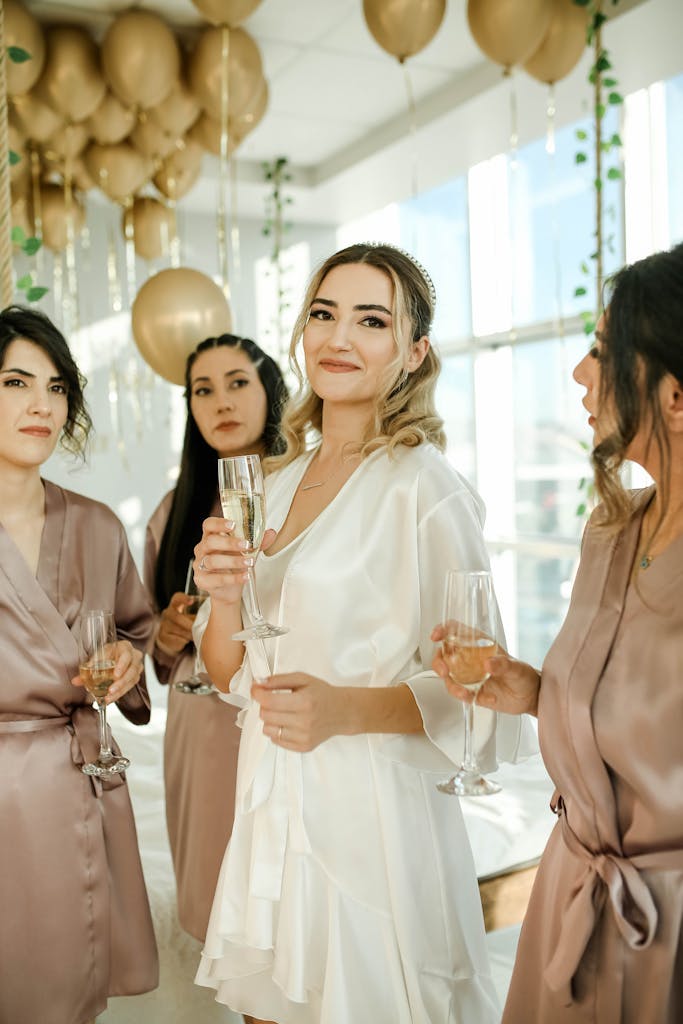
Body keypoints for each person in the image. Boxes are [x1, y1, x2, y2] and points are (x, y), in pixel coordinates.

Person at [192, 243, 533, 1023]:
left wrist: (345, 710)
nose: (338, 338)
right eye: (323, 313)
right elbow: (224, 673)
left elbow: (481, 692)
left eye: (369, 321)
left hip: (372, 819)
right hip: (270, 804)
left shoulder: (425, 487)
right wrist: (219, 596)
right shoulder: (271, 483)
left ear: (412, 353)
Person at [433, 242, 683, 1024]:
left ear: (673, 397)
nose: (579, 373)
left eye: (603, 353)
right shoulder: (609, 532)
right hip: (571, 894)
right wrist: (531, 691)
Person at [0, 305, 158, 1024]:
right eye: (16, 383)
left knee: (65, 996)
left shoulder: (96, 524)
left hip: (77, 782)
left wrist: (129, 658)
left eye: (57, 387)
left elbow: (136, 631)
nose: (42, 404)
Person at [144, 333, 288, 942]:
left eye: (238, 382)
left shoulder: (301, 493)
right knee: (215, 892)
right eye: (203, 390)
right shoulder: (174, 510)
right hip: (199, 722)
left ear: (271, 391)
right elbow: (154, 648)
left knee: (285, 904)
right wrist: (168, 632)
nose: (221, 402)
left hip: (276, 707)